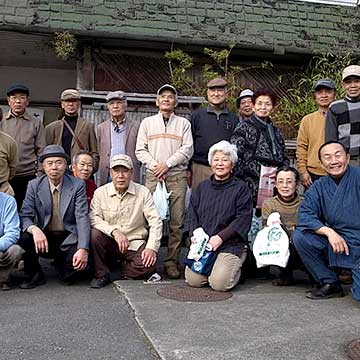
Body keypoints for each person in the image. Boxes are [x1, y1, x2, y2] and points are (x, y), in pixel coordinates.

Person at [136, 84, 193, 279]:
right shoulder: (147, 123)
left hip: (176, 176)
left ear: (175, 102)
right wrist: (155, 166)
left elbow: (187, 149)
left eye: (170, 97)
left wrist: (167, 164)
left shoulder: (184, 123)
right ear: (157, 101)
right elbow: (140, 150)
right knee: (150, 219)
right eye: (163, 97)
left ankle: (171, 261)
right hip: (153, 175)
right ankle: (146, 259)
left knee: (176, 222)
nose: (167, 99)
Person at [293, 141, 360, 300]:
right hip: (339, 242)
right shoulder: (319, 186)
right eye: (327, 157)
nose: (334, 161)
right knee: (300, 236)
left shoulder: (357, 177)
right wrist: (328, 232)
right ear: (322, 164)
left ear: (348, 157)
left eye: (338, 155)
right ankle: (329, 281)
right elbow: (305, 215)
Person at [18, 145, 90, 289]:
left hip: (67, 237)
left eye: (59, 162)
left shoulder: (77, 185)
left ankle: (61, 263)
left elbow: (82, 217)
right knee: (25, 236)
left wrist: (83, 249)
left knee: (71, 277)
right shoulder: (34, 185)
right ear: (43, 167)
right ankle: (35, 274)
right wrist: (34, 229)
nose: (54, 167)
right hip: (43, 237)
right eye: (49, 163)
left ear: (66, 165)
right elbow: (25, 215)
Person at [185, 140, 252, 291]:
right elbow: (192, 212)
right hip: (205, 245)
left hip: (229, 244)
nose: (220, 164)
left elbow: (243, 218)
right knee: (193, 281)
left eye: (225, 160)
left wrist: (220, 237)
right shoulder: (202, 187)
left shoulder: (241, 188)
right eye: (216, 160)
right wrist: (194, 232)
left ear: (232, 164)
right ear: (211, 163)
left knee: (219, 284)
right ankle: (217, 268)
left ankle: (238, 266)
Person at [89, 154, 162, 288]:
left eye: (125, 171)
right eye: (116, 171)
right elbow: (94, 217)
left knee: (147, 266)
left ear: (132, 173)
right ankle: (101, 274)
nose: (120, 175)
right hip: (110, 240)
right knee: (95, 234)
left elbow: (155, 221)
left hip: (134, 242)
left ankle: (116, 273)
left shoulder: (143, 192)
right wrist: (114, 232)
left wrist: (152, 248)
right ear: (111, 172)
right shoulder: (100, 192)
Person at [231, 88, 289, 207]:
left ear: (272, 107)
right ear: (253, 106)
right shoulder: (243, 127)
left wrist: (283, 174)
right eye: (260, 103)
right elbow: (236, 157)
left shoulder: (276, 131)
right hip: (250, 183)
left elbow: (284, 155)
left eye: (268, 104)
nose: (263, 107)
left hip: (273, 184)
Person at [0, 84, 45, 209]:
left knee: (25, 210)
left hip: (28, 176)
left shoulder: (36, 123)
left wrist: (40, 174)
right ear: (9, 101)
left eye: (22, 98)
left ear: (28, 101)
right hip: (5, 179)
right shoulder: (1, 121)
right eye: (14, 98)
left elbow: (41, 150)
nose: (18, 101)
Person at [189, 78, 238, 190]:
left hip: (225, 169)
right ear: (207, 93)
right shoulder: (197, 116)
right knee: (200, 202)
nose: (216, 94)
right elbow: (189, 143)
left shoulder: (234, 119)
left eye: (220, 90)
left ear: (226, 93)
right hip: (200, 168)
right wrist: (188, 169)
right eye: (212, 90)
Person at [262, 166, 303, 286]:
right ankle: (285, 274)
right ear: (275, 184)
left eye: (289, 181)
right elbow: (266, 230)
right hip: (280, 243)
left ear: (297, 184)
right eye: (280, 181)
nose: (285, 185)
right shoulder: (269, 203)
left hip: (300, 243)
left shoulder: (305, 203)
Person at [45, 89, 99, 172]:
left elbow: (94, 152)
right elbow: (45, 153)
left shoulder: (87, 125)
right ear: (62, 104)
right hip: (59, 171)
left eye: (74, 101)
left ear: (79, 104)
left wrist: (91, 168)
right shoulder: (51, 128)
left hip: (80, 171)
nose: (70, 104)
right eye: (67, 101)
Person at [297, 79, 337, 188]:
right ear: (315, 96)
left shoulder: (341, 116)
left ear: (335, 94)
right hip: (313, 174)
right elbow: (301, 147)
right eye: (320, 92)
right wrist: (302, 171)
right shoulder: (307, 120)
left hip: (338, 172)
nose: (324, 95)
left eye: (328, 92)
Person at [97, 91, 140, 185]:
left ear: (125, 105)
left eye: (119, 103)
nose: (115, 106)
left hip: (129, 173)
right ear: (108, 107)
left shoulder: (136, 126)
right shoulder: (101, 128)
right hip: (108, 174)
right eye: (111, 103)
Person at [325, 65, 360, 166]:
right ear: (343, 85)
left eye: (357, 81)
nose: (353, 85)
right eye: (348, 82)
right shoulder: (335, 107)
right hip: (345, 161)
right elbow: (330, 140)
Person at [0, 192, 24, 290]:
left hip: (2, 244)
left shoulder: (8, 201)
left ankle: (2, 279)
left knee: (15, 250)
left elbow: (13, 232)